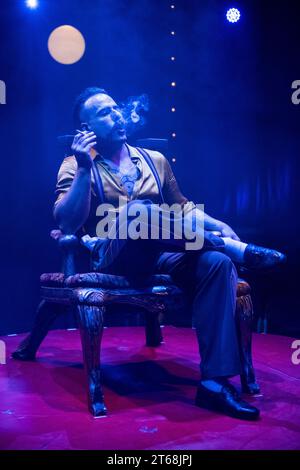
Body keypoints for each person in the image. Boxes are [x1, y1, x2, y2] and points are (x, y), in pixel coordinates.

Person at [18, 87, 286, 420]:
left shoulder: (154, 160)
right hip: (111, 256)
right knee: (138, 212)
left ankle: (214, 384)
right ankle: (238, 251)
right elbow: (67, 221)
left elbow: (184, 209)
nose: (116, 114)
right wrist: (86, 169)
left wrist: (219, 223)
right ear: (85, 129)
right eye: (104, 112)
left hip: (160, 253)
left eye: (117, 108)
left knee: (215, 264)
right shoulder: (74, 164)